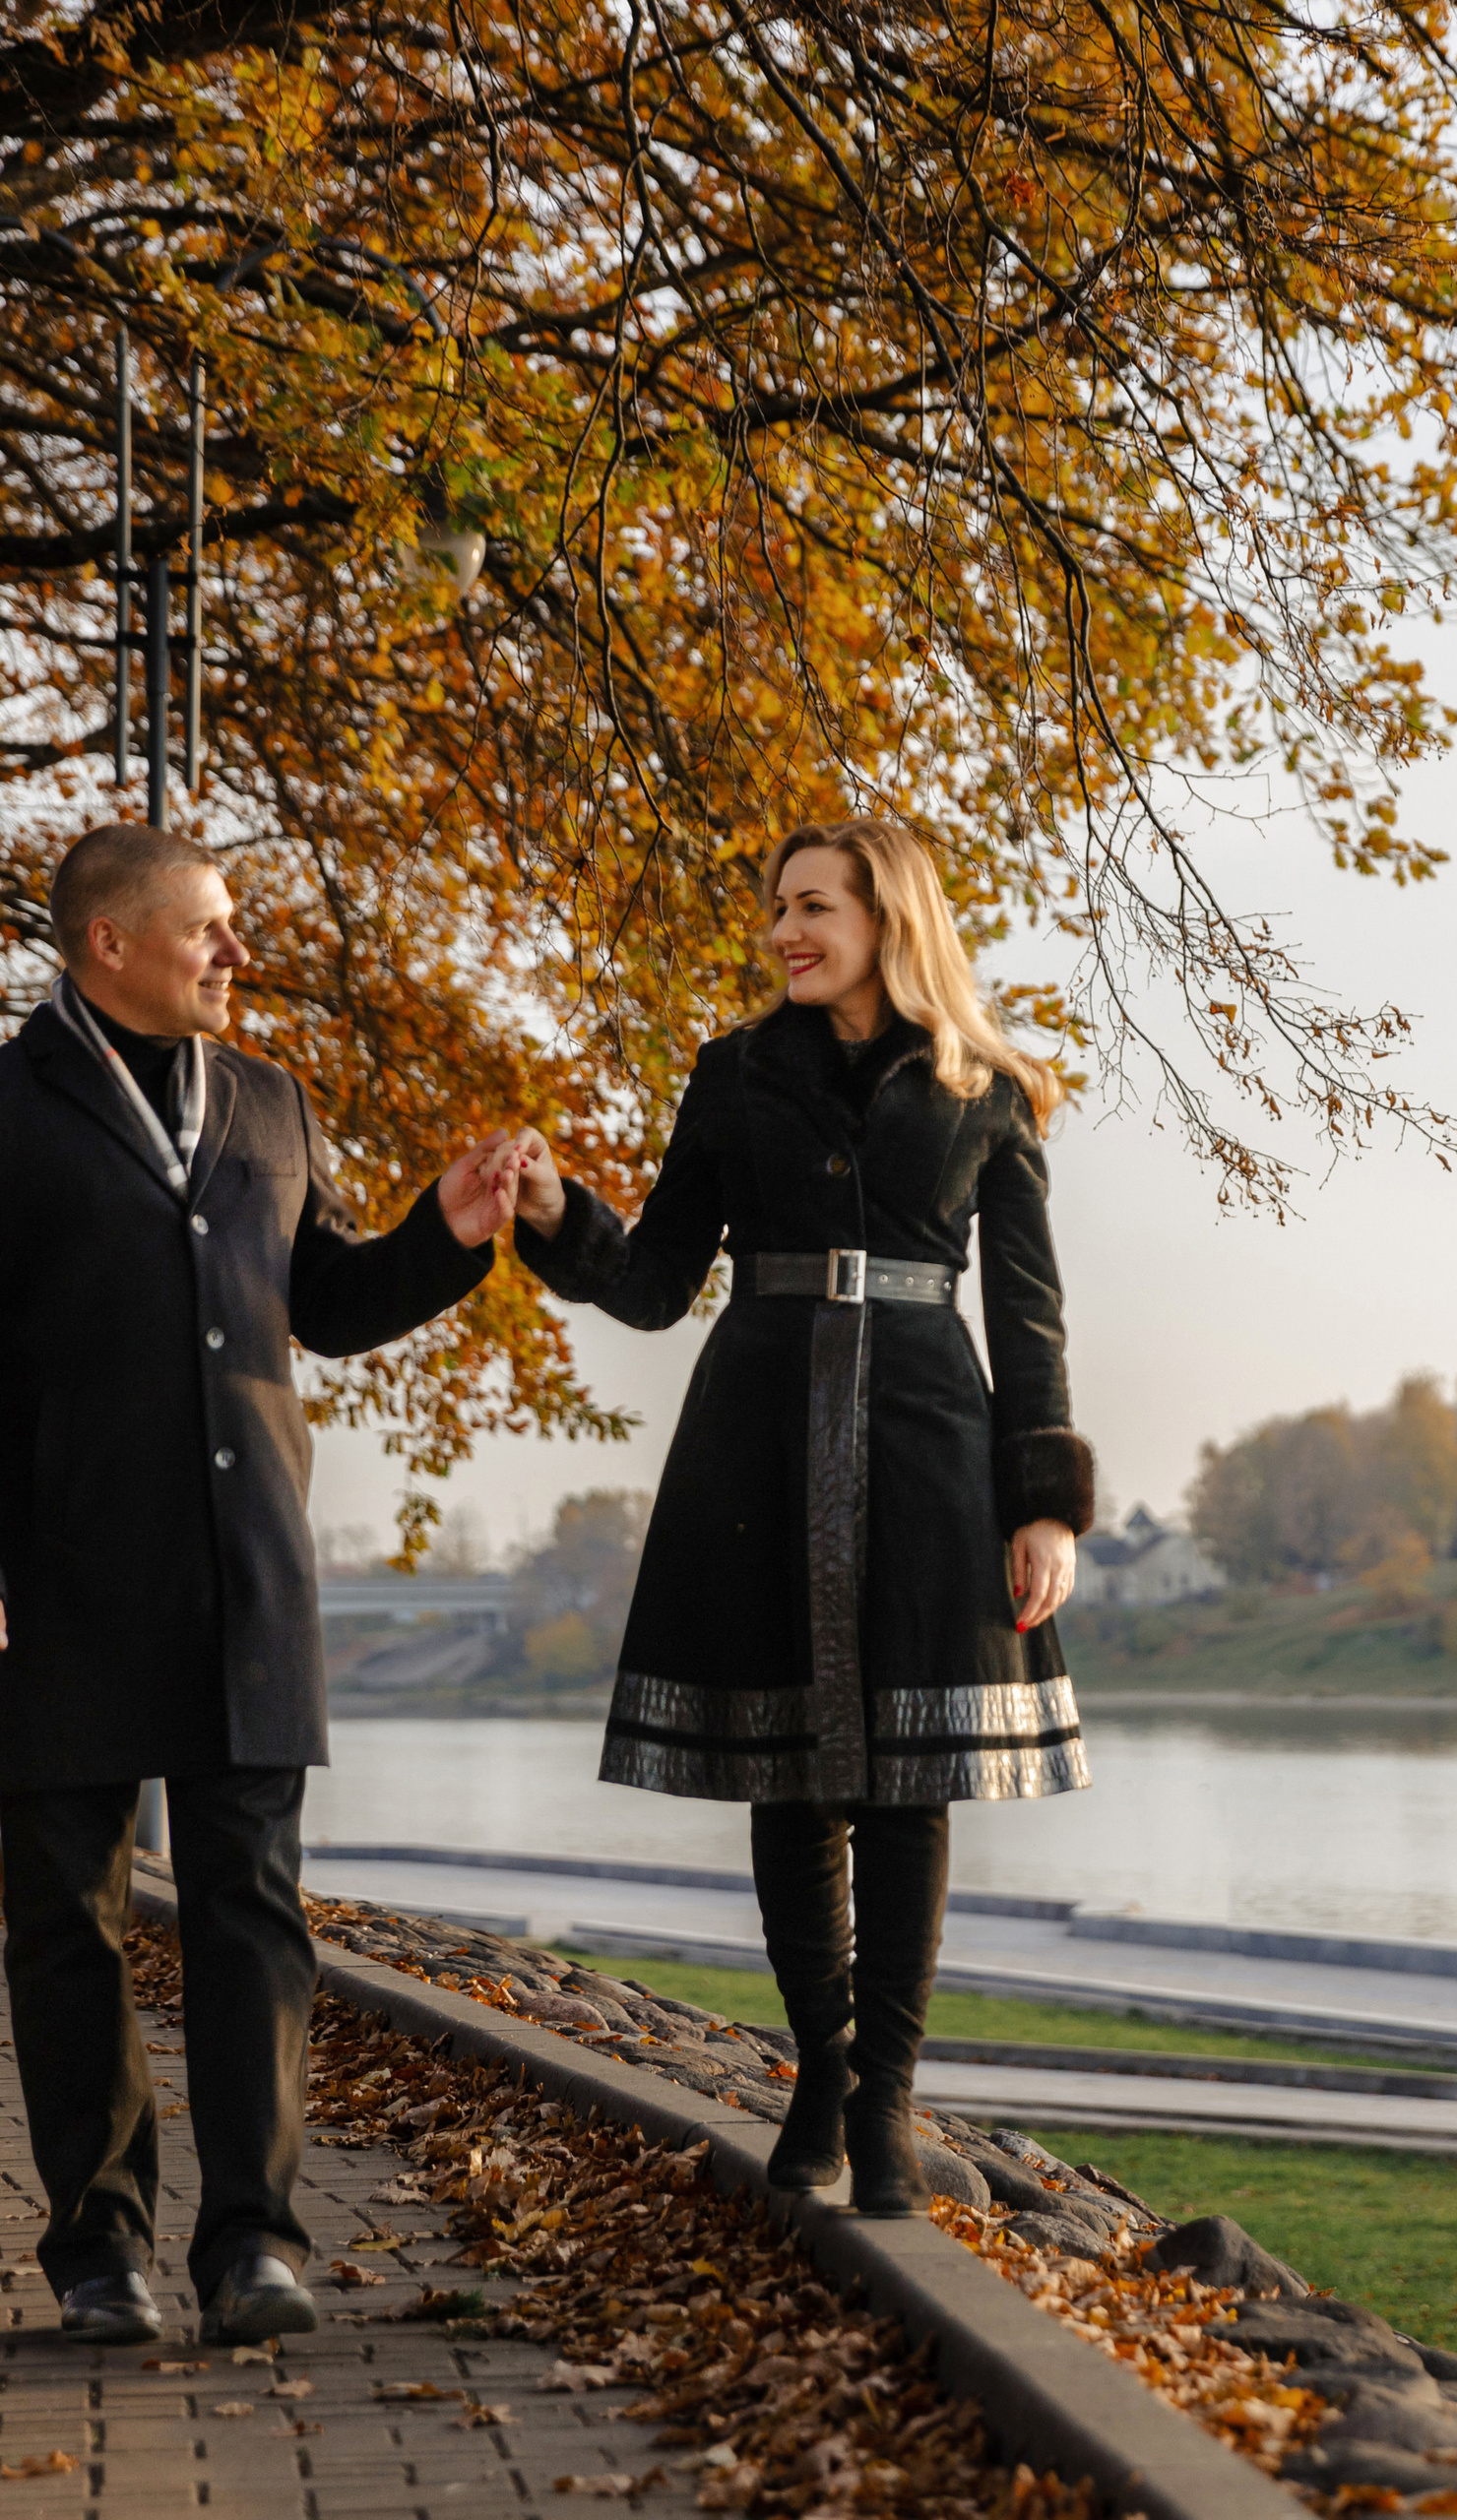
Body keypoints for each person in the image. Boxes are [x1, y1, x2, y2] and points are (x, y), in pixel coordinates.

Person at [510, 815, 1096, 2211]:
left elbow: (1030, 1317)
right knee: (790, 1776)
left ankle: (883, 2107)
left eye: (814, 905)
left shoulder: (989, 1092)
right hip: (756, 1433)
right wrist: (551, 1210)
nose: (786, 929)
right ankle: (821, 2072)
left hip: (931, 1438)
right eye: (779, 905)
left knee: (905, 1786)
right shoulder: (733, 1074)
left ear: (889, 918)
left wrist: (1047, 1507)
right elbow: (655, 1279)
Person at [0, 822, 533, 2346]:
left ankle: (256, 2245)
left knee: (251, 1911)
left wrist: (447, 1233)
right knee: (68, 1923)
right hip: (56, 1583)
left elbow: (331, 1299)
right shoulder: (6, 1105)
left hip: (252, 1581)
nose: (238, 951)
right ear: (110, 943)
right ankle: (100, 2254)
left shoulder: (272, 1100)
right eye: (210, 929)